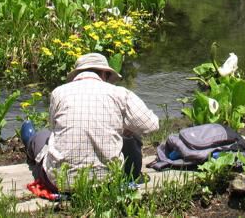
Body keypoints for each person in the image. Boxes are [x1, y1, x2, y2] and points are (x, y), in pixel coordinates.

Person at [22, 52, 159, 190]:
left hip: (61, 181)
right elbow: (152, 125)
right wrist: (125, 128)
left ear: (76, 74)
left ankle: (29, 139)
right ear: (104, 74)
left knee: (42, 136)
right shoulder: (120, 93)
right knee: (131, 136)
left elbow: (53, 128)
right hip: (109, 181)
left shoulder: (59, 92)